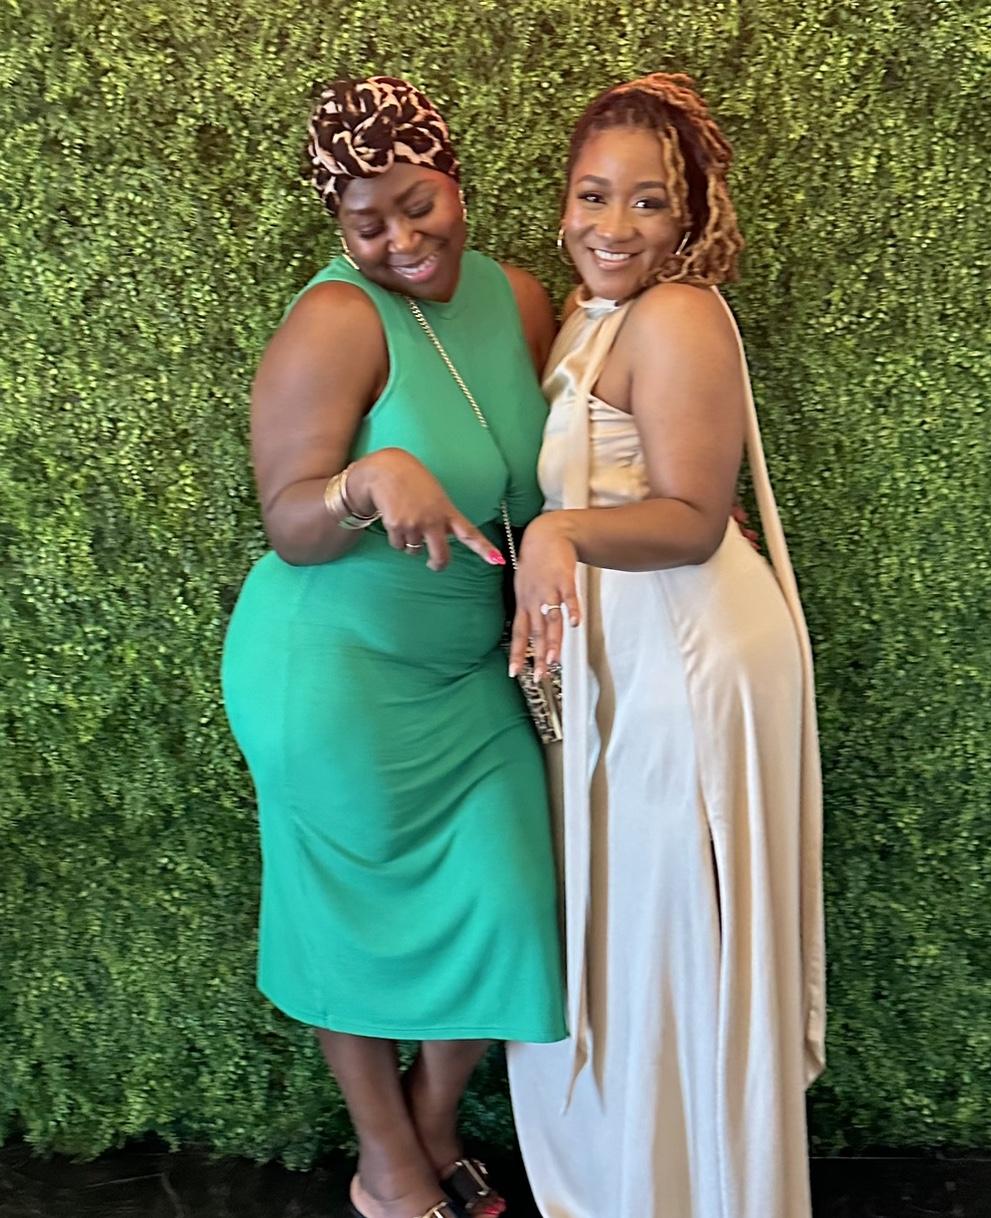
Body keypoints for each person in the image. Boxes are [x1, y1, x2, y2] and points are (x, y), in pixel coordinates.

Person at [220, 76, 565, 1218]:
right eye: (367, 223)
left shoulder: (519, 300)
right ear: (339, 225)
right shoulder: (336, 319)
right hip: (335, 671)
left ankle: (428, 1123)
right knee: (349, 923)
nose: (402, 240)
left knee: (511, 898)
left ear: (454, 179)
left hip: (467, 675)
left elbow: (559, 457)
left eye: (419, 205)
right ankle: (390, 1165)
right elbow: (289, 520)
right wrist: (366, 481)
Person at [505, 73, 826, 1218]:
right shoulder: (586, 316)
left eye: (648, 203)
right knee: (636, 930)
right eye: (594, 195)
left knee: (673, 929)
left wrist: (559, 534)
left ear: (686, 218)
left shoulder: (678, 314)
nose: (615, 225)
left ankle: (698, 1189)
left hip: (690, 664)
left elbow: (691, 519)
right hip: (631, 659)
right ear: (564, 201)